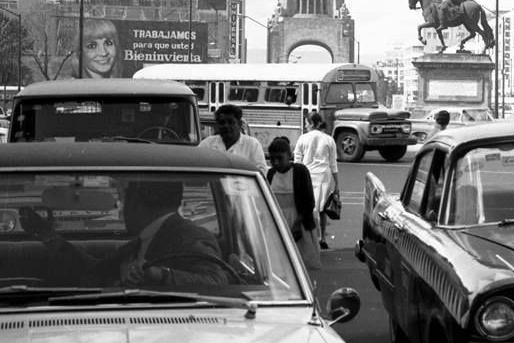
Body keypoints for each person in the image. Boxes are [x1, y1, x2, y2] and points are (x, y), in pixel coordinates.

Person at [20, 180, 230, 287]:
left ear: (143, 199)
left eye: (126, 196)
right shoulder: (142, 240)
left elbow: (216, 281)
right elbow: (95, 271)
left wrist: (160, 275)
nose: (122, 206)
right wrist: (48, 235)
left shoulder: (190, 236)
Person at [266, 136, 321, 270]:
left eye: (280, 158)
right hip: (278, 223)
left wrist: (298, 224)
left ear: (289, 156)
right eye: (272, 159)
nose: (276, 163)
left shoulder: (300, 171)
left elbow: (309, 201)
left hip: (299, 223)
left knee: (300, 265)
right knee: (279, 265)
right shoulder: (271, 174)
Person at [294, 111, 339, 250]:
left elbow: (297, 161)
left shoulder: (303, 138)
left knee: (308, 208)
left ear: (312, 124)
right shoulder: (328, 139)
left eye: (307, 123)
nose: (306, 126)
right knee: (322, 209)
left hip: (306, 175)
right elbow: (333, 164)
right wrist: (337, 185)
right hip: (324, 176)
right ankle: (322, 238)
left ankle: (311, 237)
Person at [199, 104, 269, 175]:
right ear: (217, 125)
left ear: (239, 124)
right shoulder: (207, 144)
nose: (226, 126)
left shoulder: (252, 145)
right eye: (222, 122)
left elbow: (262, 173)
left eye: (230, 122)